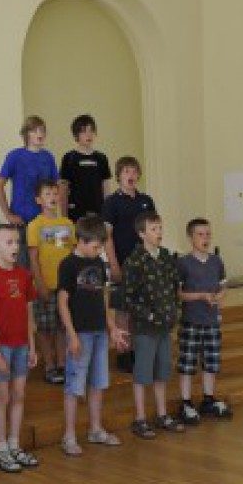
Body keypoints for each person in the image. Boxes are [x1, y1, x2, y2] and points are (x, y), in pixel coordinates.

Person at [56, 216, 129, 456]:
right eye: (96, 247)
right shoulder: (68, 265)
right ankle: (69, 435)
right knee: (74, 386)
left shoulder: (98, 262)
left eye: (101, 247)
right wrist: (72, 335)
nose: (100, 251)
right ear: (81, 241)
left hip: (99, 332)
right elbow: (63, 303)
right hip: (81, 333)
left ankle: (95, 429)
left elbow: (102, 298)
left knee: (98, 383)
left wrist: (112, 327)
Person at [0, 223, 39, 472]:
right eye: (9, 242)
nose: (15, 246)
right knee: (2, 396)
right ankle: (1, 447)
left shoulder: (24, 275)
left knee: (19, 394)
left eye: (17, 242)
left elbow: (28, 313)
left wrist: (32, 346)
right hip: (2, 347)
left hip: (21, 345)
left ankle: (15, 444)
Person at [123, 211, 183, 438]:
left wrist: (174, 310)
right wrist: (148, 316)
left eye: (160, 228)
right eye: (154, 229)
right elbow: (128, 298)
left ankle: (162, 414)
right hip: (145, 328)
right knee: (143, 374)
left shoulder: (166, 256)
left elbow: (174, 286)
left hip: (165, 326)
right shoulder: (134, 261)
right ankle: (140, 418)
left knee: (162, 372)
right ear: (142, 234)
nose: (159, 232)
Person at [102, 155, 156, 372]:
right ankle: (123, 352)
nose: (130, 175)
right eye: (126, 171)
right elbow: (107, 236)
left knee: (140, 309)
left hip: (144, 264)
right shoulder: (111, 202)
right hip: (122, 263)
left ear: (139, 175)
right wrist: (114, 264)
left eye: (134, 171)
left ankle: (137, 350)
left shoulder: (146, 201)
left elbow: (153, 231)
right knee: (122, 310)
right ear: (119, 176)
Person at [176, 218, 232, 424]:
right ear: (191, 238)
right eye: (200, 234)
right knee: (188, 363)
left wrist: (219, 296)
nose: (205, 238)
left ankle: (208, 399)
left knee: (211, 363)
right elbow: (179, 294)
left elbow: (223, 287)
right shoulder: (183, 263)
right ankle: (186, 402)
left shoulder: (217, 261)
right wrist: (200, 296)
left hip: (212, 321)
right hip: (191, 321)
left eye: (208, 234)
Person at [27, 179, 75, 385]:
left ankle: (63, 364)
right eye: (47, 194)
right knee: (45, 328)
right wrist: (40, 284)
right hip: (45, 284)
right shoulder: (34, 225)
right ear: (38, 200)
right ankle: (49, 365)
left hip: (65, 286)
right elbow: (33, 258)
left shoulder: (68, 224)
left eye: (55, 193)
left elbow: (72, 254)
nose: (53, 197)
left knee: (63, 326)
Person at [0, 115, 58, 266]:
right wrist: (8, 214)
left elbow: (56, 188)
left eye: (42, 130)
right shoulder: (15, 156)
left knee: (46, 262)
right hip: (21, 222)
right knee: (22, 266)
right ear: (26, 134)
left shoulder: (48, 157)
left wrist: (56, 214)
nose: (39, 134)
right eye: (35, 130)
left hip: (45, 221)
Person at [59, 114, 112, 220]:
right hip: (76, 212)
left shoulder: (101, 158)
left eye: (91, 130)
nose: (89, 135)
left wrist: (107, 214)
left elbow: (106, 188)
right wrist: (64, 217)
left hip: (97, 212)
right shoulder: (69, 158)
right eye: (84, 131)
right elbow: (63, 189)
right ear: (76, 135)